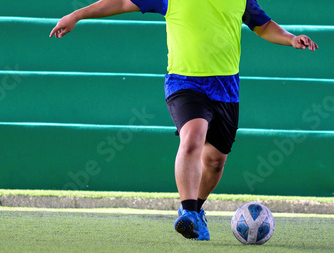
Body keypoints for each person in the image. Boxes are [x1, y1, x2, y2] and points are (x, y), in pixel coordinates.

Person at [50, 0, 318, 240]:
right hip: (184, 81)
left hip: (226, 87)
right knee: (192, 138)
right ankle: (188, 211)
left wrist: (291, 38)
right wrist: (77, 15)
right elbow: (121, 2)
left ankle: (197, 210)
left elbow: (262, 25)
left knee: (215, 161)